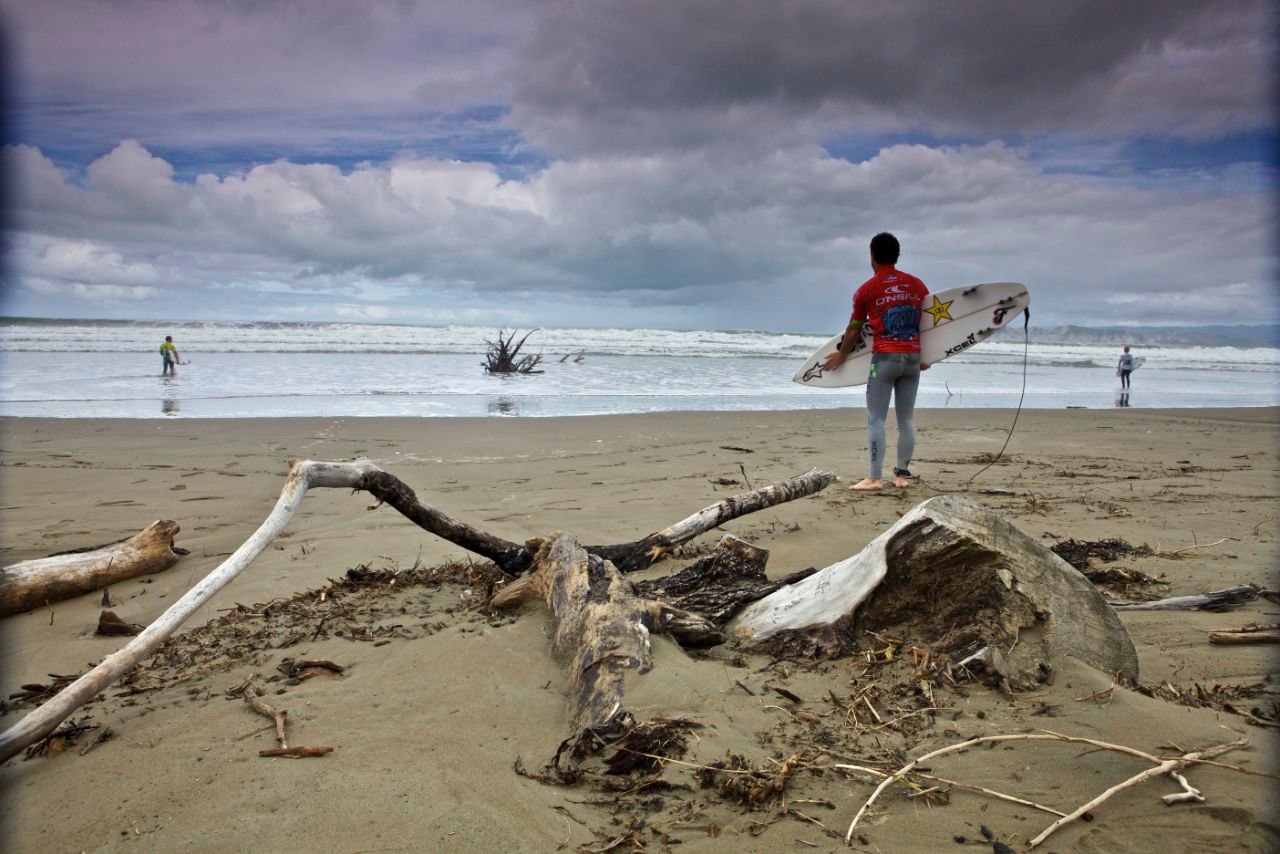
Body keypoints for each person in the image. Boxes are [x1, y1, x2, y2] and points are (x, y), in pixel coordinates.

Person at [822, 232, 929, 491]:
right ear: (897, 255)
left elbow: (855, 329)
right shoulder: (916, 285)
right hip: (912, 358)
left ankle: (874, 478)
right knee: (907, 420)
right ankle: (902, 476)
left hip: (884, 360)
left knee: (876, 419)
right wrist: (927, 355)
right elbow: (928, 323)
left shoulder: (867, 290)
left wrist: (842, 354)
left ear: (872, 256)